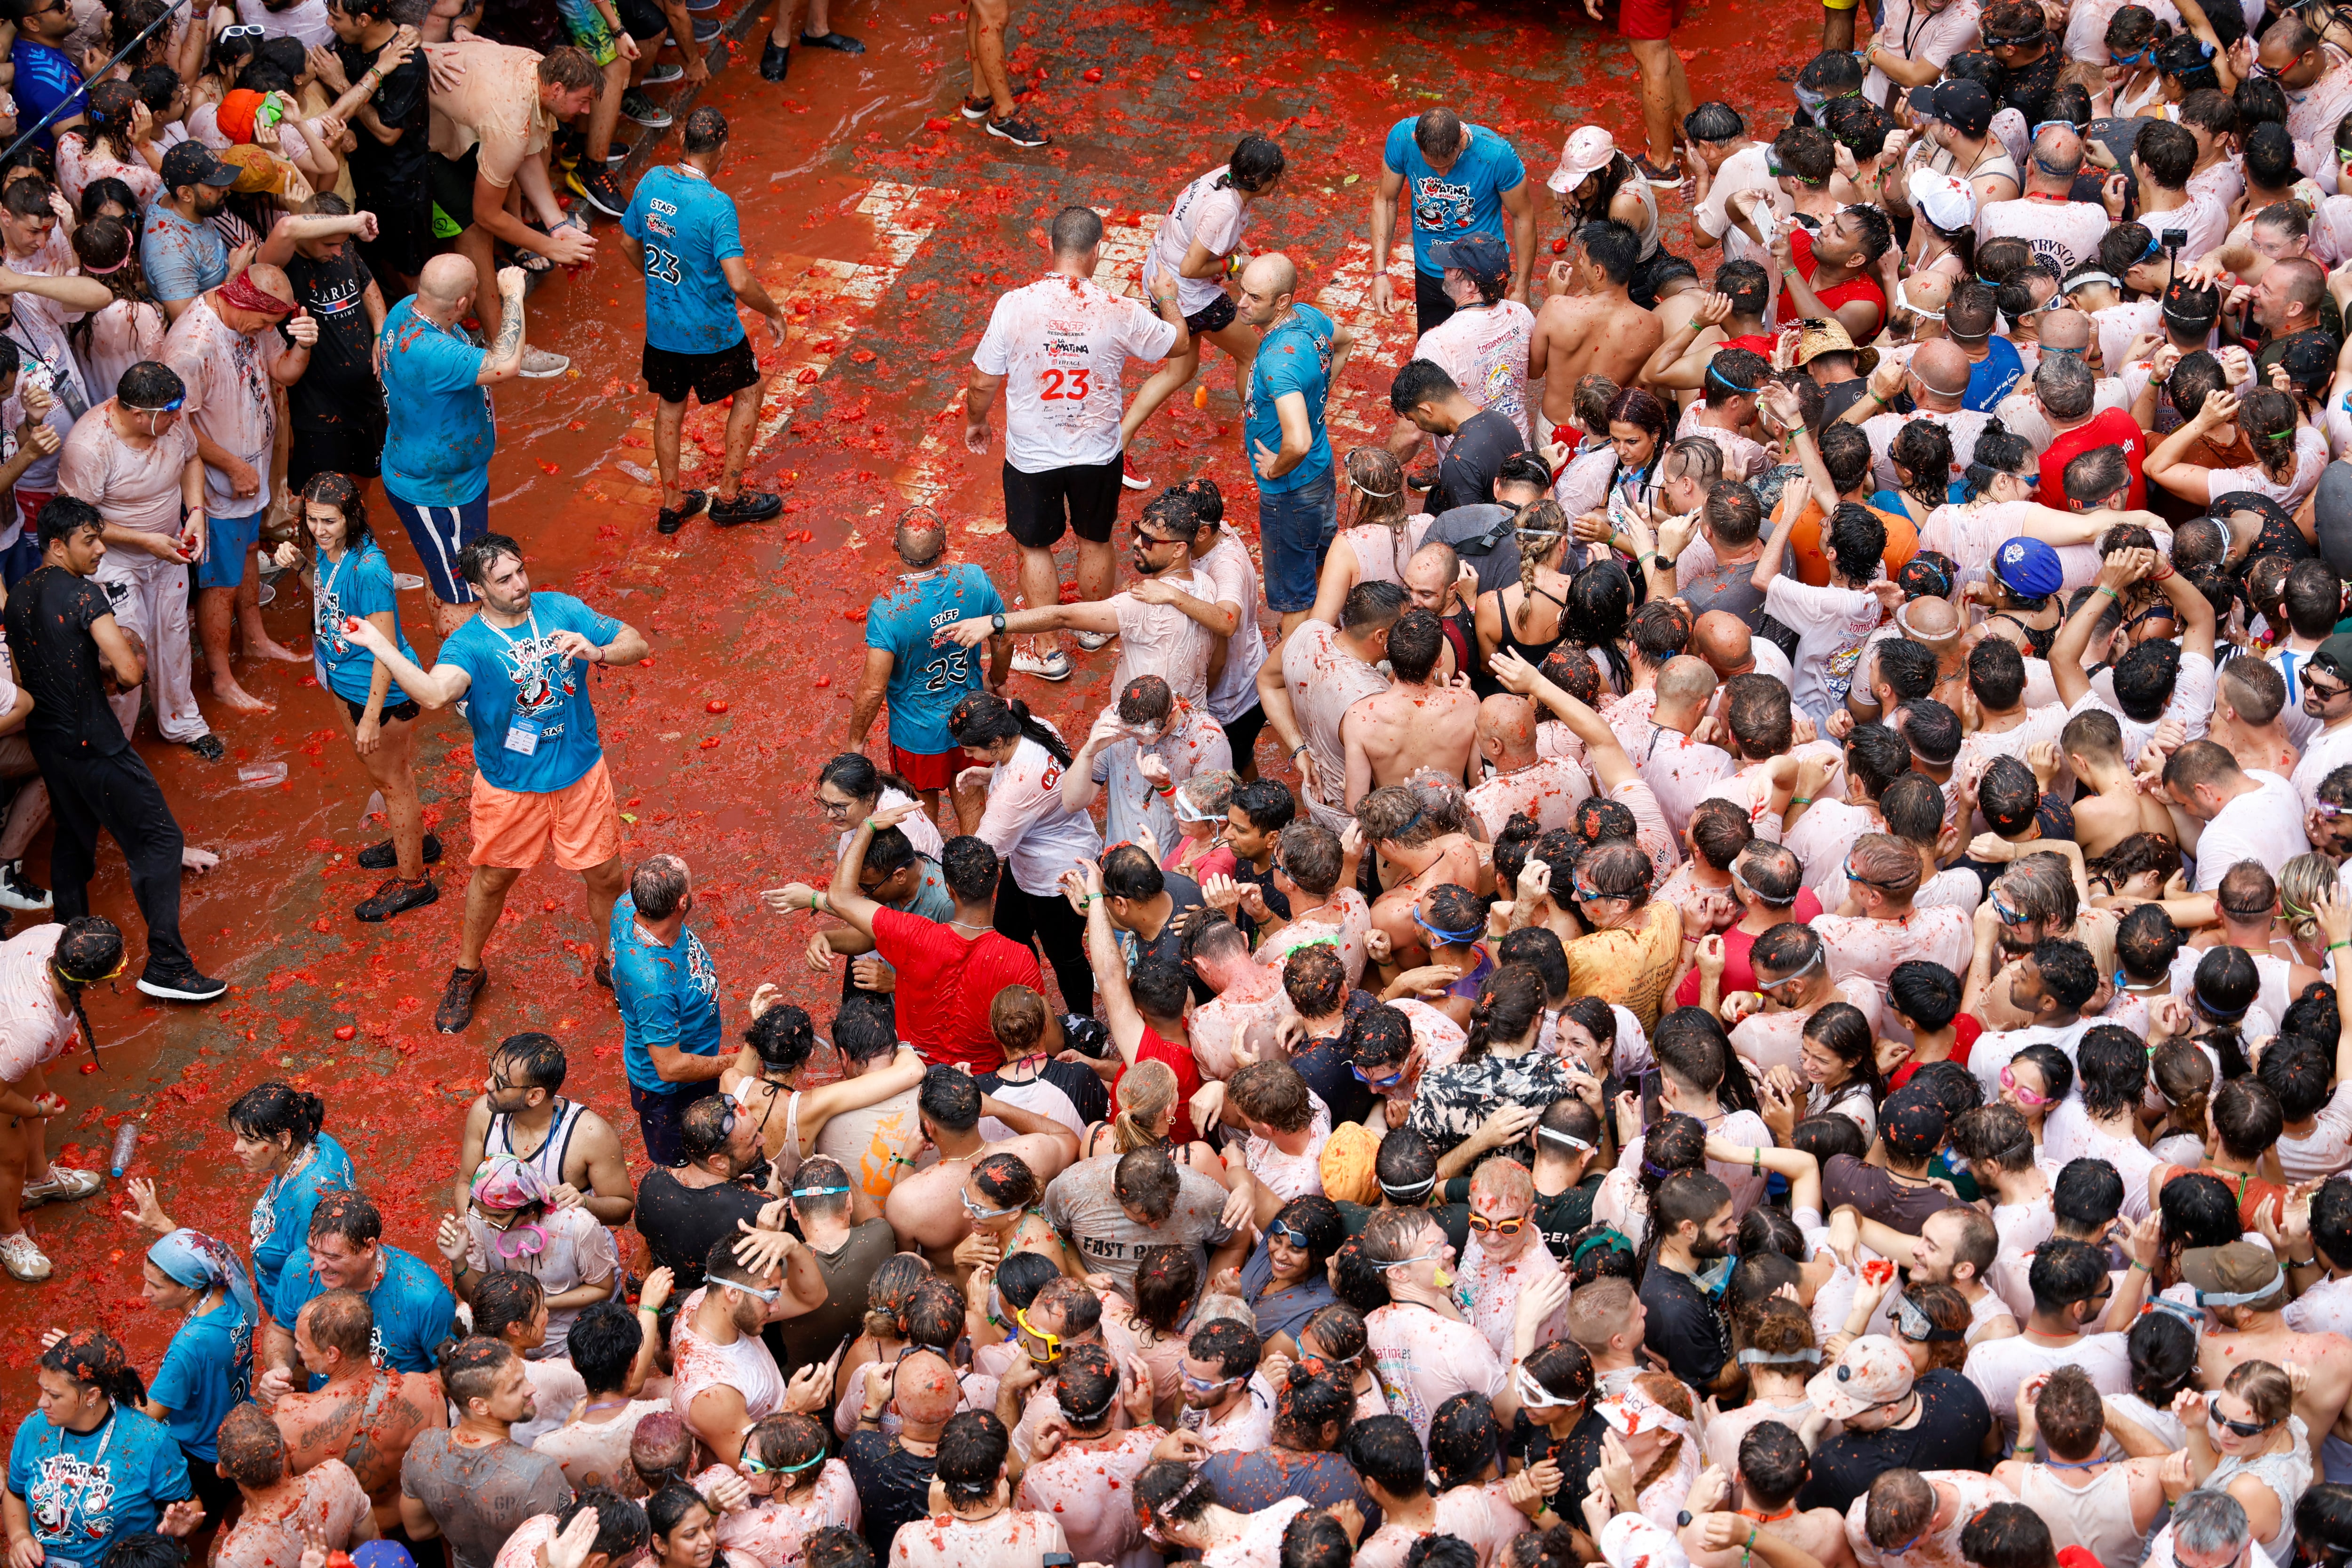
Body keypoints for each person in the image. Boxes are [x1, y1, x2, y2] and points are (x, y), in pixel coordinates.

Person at [340, 533, 649, 1035]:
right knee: (493, 880)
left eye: (520, 571)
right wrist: (379, 645)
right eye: (504, 579)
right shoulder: (469, 645)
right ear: (478, 589)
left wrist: (598, 651)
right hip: (510, 788)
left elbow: (636, 641)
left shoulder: (561, 609)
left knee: (607, 878)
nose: (520, 584)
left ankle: (609, 961)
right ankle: (468, 970)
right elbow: (435, 694)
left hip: (581, 776)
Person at [2, 499, 221, 1002]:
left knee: (74, 841)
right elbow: (128, 672)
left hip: (50, 743)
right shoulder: (85, 597)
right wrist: (114, 673)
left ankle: (69, 949)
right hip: (95, 743)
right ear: (57, 546)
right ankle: (167, 964)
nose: (100, 549)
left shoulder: (17, 597)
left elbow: (19, 676)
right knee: (161, 841)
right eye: (89, 541)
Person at [964, 205, 1185, 681]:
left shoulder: (1014, 305)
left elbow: (982, 381)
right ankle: (1094, 627)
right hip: (1098, 453)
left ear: (1050, 247)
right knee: (1095, 538)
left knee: (1034, 548)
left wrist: (975, 422)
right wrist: (1168, 297)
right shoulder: (1119, 310)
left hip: (1030, 455)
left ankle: (1047, 651)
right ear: (1098, 251)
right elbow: (1179, 345)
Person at [271, 473, 436, 921]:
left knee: (393, 784)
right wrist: (300, 567)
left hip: (377, 694)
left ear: (351, 517)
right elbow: (327, 597)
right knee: (393, 773)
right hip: (350, 684)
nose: (319, 530)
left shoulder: (370, 571)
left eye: (329, 521)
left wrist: (370, 717)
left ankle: (413, 881)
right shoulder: (333, 552)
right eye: (312, 519)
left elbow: (385, 650)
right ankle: (418, 843)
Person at [159, 263, 315, 715]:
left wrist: (303, 343)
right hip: (218, 483)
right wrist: (231, 465)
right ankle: (221, 679)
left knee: (250, 558)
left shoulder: (249, 320)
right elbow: (176, 425)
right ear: (244, 303)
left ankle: (255, 641)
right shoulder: (193, 346)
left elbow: (283, 372)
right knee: (221, 582)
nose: (269, 332)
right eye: (267, 323)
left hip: (252, 470)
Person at [621, 106, 783, 534]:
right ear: (722, 149)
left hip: (662, 330)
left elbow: (627, 242)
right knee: (750, 391)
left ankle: (673, 504)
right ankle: (728, 498)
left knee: (670, 406)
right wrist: (773, 311)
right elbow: (739, 280)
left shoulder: (651, 181)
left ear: (682, 142)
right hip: (713, 333)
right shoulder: (716, 206)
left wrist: (660, 284)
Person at [58, 361, 214, 761]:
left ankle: (182, 722)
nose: (180, 417)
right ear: (139, 416)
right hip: (114, 561)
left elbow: (192, 460)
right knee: (127, 654)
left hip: (167, 550)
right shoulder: (90, 446)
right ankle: (118, 747)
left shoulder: (172, 419)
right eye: (170, 414)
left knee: (175, 633)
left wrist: (195, 509)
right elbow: (76, 521)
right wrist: (144, 541)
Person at [375, 257, 528, 637]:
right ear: (462, 304)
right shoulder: (433, 351)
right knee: (463, 591)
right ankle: (460, 675)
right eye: (477, 286)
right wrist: (514, 298)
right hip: (438, 492)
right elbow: (506, 364)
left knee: (444, 573)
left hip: (441, 474)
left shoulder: (403, 312)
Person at [425, 40, 598, 373]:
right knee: (474, 229)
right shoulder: (511, 122)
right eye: (584, 101)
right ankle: (500, 345)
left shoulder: (537, 67)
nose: (587, 111)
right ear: (558, 90)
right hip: (416, 133)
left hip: (457, 117)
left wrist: (558, 225)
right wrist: (550, 246)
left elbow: (528, 152)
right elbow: (486, 214)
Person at [1120, 136, 1287, 477]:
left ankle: (1116, 447)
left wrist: (1241, 250)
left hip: (1161, 277)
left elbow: (1209, 234)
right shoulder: (1225, 209)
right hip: (1188, 293)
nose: (1278, 182)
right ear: (1259, 181)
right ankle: (1259, 432)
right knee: (1252, 354)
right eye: (1276, 176)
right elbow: (1192, 267)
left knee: (1179, 372)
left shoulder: (1227, 175)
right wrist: (1237, 265)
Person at [850, 508, 1008, 819]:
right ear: (945, 546)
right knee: (973, 800)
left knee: (920, 816)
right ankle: (975, 867)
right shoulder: (974, 580)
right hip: (972, 720)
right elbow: (1005, 635)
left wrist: (856, 740)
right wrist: (998, 679)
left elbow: (873, 689)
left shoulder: (890, 609)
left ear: (896, 547)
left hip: (916, 736)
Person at [5, 1332, 201, 1568]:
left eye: (54, 1396)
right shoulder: (34, 1428)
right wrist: (19, 1536)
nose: (41, 1403)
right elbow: (15, 1492)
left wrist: (183, 1527)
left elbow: (189, 1506)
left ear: (92, 1395)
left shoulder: (148, 1440)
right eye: (42, 1390)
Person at [258, 1290, 447, 1533]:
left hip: (342, 1539)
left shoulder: (291, 1416)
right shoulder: (426, 1391)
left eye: (302, 1344)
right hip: (411, 1529)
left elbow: (281, 1506)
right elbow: (440, 1479)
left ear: (332, 1354)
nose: (297, 1349)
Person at [1237, 251, 1352, 634]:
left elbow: (1298, 441)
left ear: (1282, 302)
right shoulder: (1309, 316)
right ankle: (1333, 629)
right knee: (1323, 561)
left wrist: (1275, 467)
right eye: (1243, 292)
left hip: (1290, 491)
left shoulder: (1277, 363)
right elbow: (1346, 342)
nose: (1242, 303)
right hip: (1321, 471)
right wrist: (1319, 393)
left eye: (1254, 298)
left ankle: (1294, 670)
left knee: (1294, 599)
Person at [0, 917, 119, 1279]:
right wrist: (36, 1109)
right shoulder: (31, 1029)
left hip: (8, 1032)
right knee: (10, 1152)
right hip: (10, 1039)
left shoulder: (56, 937)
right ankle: (7, 1233)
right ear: (95, 982)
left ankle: (38, 1180)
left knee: (36, 1092)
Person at [397, 1337, 572, 1568]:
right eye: (515, 1387)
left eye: (524, 1376)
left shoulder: (424, 1450)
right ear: (479, 1406)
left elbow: (418, 1530)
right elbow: (564, 1558)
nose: (531, 1388)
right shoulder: (539, 1474)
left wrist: (463, 1519)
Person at [263, 1190, 458, 1385]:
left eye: (333, 1257)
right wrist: (279, 1369)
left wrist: (395, 1397)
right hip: (324, 1404)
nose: (317, 1266)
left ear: (369, 1248)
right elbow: (281, 1330)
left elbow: (452, 1373)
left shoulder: (424, 1298)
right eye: (313, 1250)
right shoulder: (299, 1269)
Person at [1372, 106, 1536, 334]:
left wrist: (1523, 288)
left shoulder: (1496, 155)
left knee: (1482, 354)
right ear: (1415, 140)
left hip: (1480, 275)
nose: (1443, 174)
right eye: (1433, 167)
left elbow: (1523, 216)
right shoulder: (1402, 139)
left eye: (1450, 164)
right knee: (1433, 356)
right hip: (1430, 271)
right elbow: (1386, 200)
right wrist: (1379, 272)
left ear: (1460, 138)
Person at [136, 1228, 258, 1526]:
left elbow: (150, 1413)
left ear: (190, 1287)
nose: (145, 1293)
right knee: (241, 1515)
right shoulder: (229, 1291)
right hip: (240, 1432)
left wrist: (102, 1382)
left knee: (196, 1545)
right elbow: (204, 1254)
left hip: (201, 1456)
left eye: (155, 1286)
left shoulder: (188, 1346)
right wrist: (165, 1226)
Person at [453, 1032, 635, 1225]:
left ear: (534, 1096)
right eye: (491, 1071)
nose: (487, 1084)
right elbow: (466, 1183)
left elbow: (623, 1208)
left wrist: (584, 1202)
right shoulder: (484, 1113)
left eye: (500, 1083)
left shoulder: (589, 1135)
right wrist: (473, 1231)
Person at [886, 1410, 1068, 1568]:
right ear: (1003, 1471)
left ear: (941, 1474)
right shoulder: (1045, 1530)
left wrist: (934, 1517)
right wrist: (1034, 1459)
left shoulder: (910, 1540)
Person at [208, 1403, 375, 1568]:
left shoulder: (235, 1558)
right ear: (287, 1447)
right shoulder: (337, 1475)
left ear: (222, 1471)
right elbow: (375, 1552)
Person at [139, 143, 241, 321]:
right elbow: (187, 321)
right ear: (185, 194)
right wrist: (234, 275)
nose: (226, 188)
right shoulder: (170, 252)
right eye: (214, 184)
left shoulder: (171, 192)